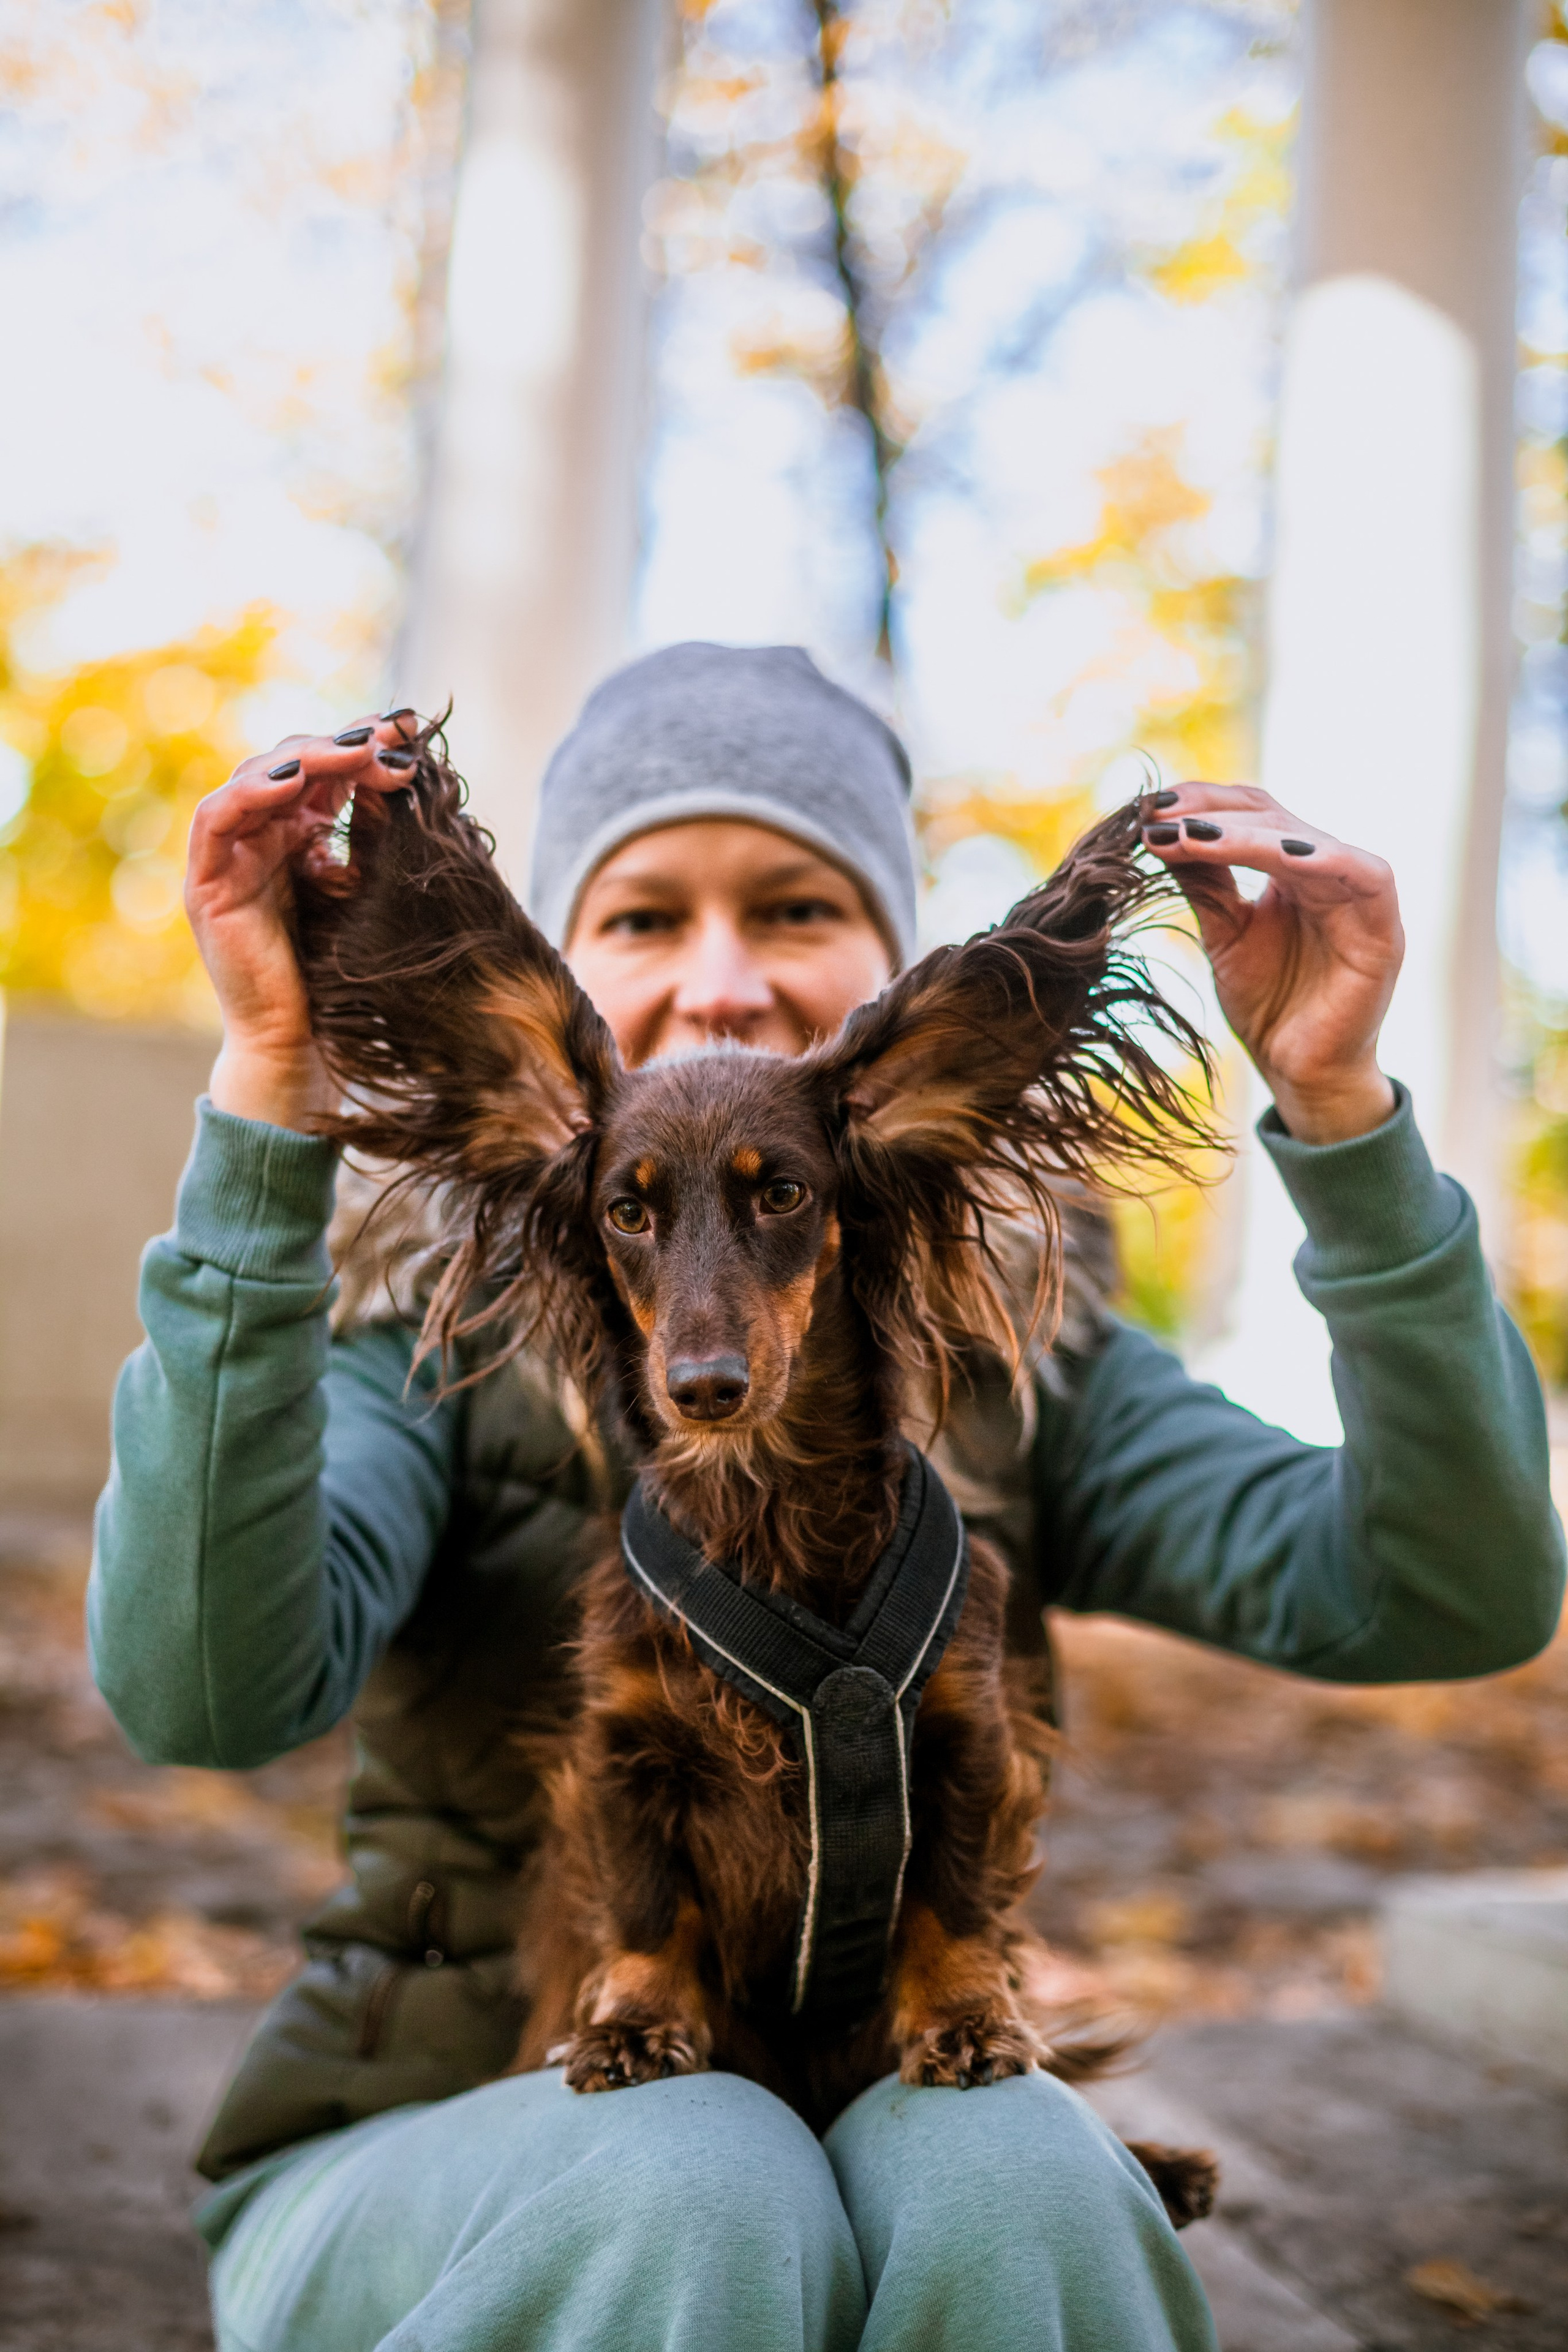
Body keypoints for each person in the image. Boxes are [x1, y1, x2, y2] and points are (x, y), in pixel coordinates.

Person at [90, 643, 1563, 2352]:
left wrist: (1340, 1108)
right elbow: (196, 1691)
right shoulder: (412, 1350)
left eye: (793, 907)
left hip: (869, 2090)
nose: (719, 982)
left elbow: (1453, 1593)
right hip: (427, 2152)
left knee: (1018, 2177)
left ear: (897, 992)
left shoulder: (1031, 1365)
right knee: (701, 2173)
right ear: (546, 998)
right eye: (644, 917)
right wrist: (272, 1087)